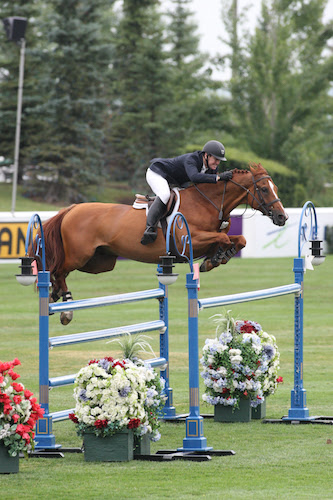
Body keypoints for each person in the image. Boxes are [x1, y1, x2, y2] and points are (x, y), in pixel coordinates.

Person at [140, 140, 233, 245]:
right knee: (165, 195)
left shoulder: (211, 169)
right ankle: (150, 229)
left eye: (219, 160)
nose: (217, 163)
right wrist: (219, 177)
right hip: (157, 173)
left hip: (176, 181)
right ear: (206, 155)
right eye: (215, 159)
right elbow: (194, 177)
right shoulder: (192, 159)